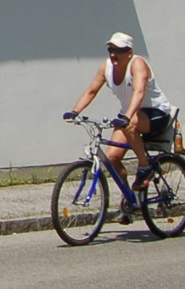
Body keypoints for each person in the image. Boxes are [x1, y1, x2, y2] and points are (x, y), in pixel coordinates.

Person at [64, 32, 176, 217]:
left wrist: (127, 117)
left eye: (119, 50)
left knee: (130, 123)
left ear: (129, 52)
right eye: (111, 49)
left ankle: (145, 167)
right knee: (112, 157)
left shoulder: (137, 64)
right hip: (131, 116)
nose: (114, 54)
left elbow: (139, 92)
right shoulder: (106, 67)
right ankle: (130, 201)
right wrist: (75, 111)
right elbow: (91, 91)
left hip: (156, 114)